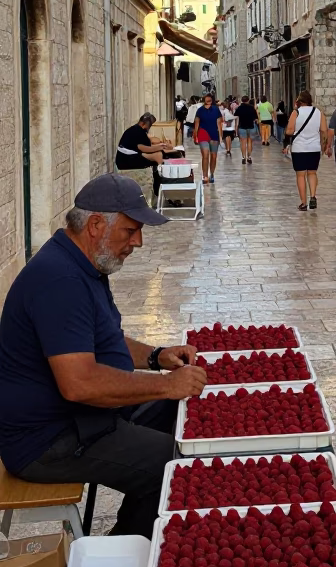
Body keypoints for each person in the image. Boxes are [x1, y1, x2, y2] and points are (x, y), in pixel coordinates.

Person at [0, 175, 206, 540]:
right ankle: (125, 551)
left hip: (82, 417)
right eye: (130, 231)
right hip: (49, 439)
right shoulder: (60, 280)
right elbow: (80, 384)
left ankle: (139, 525)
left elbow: (102, 340)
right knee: (176, 464)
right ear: (96, 224)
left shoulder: (83, 263)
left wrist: (157, 357)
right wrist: (165, 386)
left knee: (181, 414)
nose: (137, 242)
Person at [283, 90, 327, 211]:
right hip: (314, 148)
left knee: (300, 175)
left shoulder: (296, 112)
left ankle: (303, 203)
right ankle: (312, 196)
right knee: (312, 173)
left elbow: (289, 131)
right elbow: (324, 130)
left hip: (299, 148)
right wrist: (324, 145)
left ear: (299, 101)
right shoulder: (318, 112)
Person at [115, 113, 174, 196]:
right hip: (126, 160)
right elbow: (145, 149)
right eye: (149, 126)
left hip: (128, 157)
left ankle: (159, 185)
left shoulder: (135, 129)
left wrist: (161, 146)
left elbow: (147, 146)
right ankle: (161, 184)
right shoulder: (138, 132)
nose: (149, 128)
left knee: (158, 155)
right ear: (143, 124)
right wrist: (161, 147)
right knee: (157, 156)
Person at [193, 93, 223, 184]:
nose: (208, 101)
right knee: (205, 155)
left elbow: (219, 123)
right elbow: (196, 123)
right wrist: (195, 136)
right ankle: (205, 175)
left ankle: (212, 174)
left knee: (214, 156)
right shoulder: (200, 110)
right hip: (203, 133)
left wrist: (220, 136)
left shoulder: (216, 109)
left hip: (214, 134)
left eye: (209, 99)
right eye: (206, 99)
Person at [235, 95, 258, 164]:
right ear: (248, 100)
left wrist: (236, 127)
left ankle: (243, 157)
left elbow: (236, 116)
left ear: (242, 100)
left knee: (243, 142)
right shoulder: (251, 108)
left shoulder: (239, 108)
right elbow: (256, 118)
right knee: (250, 142)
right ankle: (249, 157)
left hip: (242, 127)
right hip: (251, 126)